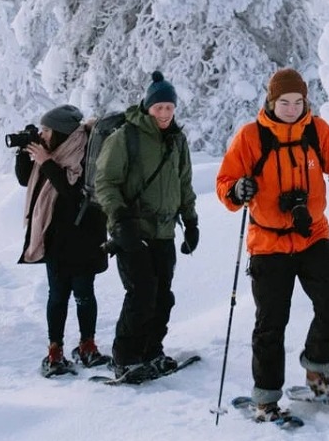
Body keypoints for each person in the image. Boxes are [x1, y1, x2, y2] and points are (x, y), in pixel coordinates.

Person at [217, 67, 329, 417]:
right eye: (284, 102)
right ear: (271, 101)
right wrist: (238, 190)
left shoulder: (316, 130)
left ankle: (317, 368)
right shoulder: (251, 137)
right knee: (271, 323)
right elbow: (226, 182)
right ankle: (266, 399)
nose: (291, 108)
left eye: (297, 102)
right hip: (268, 243)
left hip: (312, 234)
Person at [90, 71, 198, 382]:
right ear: (147, 107)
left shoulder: (177, 140)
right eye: (158, 108)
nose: (164, 113)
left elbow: (184, 183)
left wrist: (190, 221)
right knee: (141, 293)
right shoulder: (126, 137)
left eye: (169, 108)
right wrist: (120, 219)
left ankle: (152, 350)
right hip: (131, 229)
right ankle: (125, 358)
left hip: (164, 231)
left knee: (162, 295)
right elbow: (105, 182)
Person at [16, 104, 107, 376]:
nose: (42, 135)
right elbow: (25, 179)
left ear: (62, 133)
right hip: (56, 239)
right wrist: (25, 153)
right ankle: (54, 350)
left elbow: (74, 193)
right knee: (57, 296)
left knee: (83, 295)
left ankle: (87, 345)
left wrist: (46, 162)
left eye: (46, 130)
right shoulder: (53, 153)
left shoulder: (87, 154)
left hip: (85, 238)